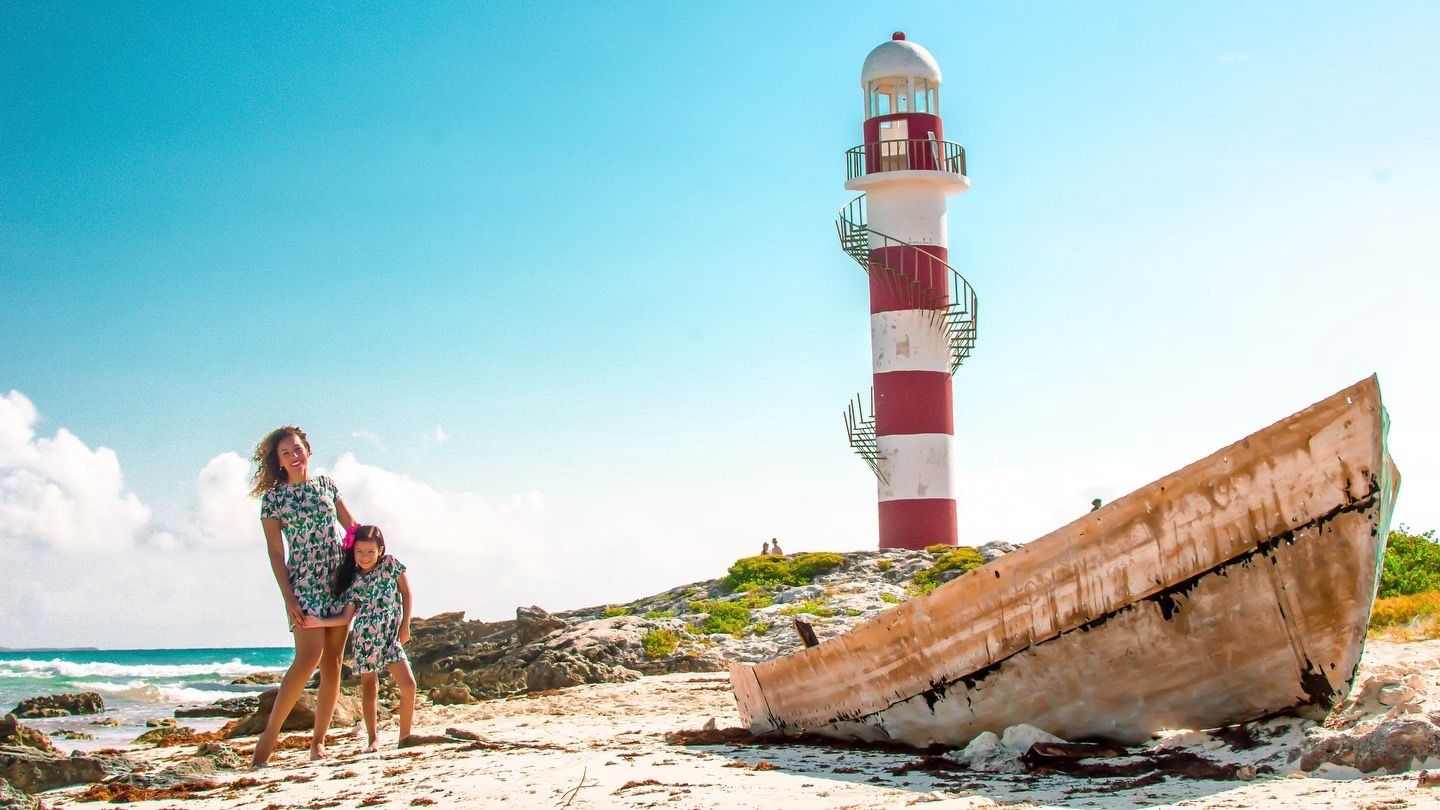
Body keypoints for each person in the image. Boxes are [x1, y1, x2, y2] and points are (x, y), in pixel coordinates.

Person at [248, 426, 357, 766]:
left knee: (333, 662)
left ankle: (318, 742)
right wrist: (288, 598)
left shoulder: (326, 485)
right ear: (278, 463)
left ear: (307, 450)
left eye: (297, 449)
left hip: (338, 580)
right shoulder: (274, 501)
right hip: (304, 584)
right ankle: (269, 737)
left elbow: (351, 528)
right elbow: (276, 554)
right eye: (286, 453)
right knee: (308, 657)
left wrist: (368, 561)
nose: (294, 456)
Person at [307, 524, 416, 751]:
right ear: (353, 553)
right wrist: (320, 622)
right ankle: (372, 738)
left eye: (370, 552)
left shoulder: (390, 565)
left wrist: (405, 624)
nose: (365, 557)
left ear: (380, 550)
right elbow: (346, 618)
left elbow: (406, 592)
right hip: (365, 637)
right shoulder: (353, 581)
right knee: (369, 687)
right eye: (359, 552)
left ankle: (405, 737)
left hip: (389, 637)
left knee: (409, 685)